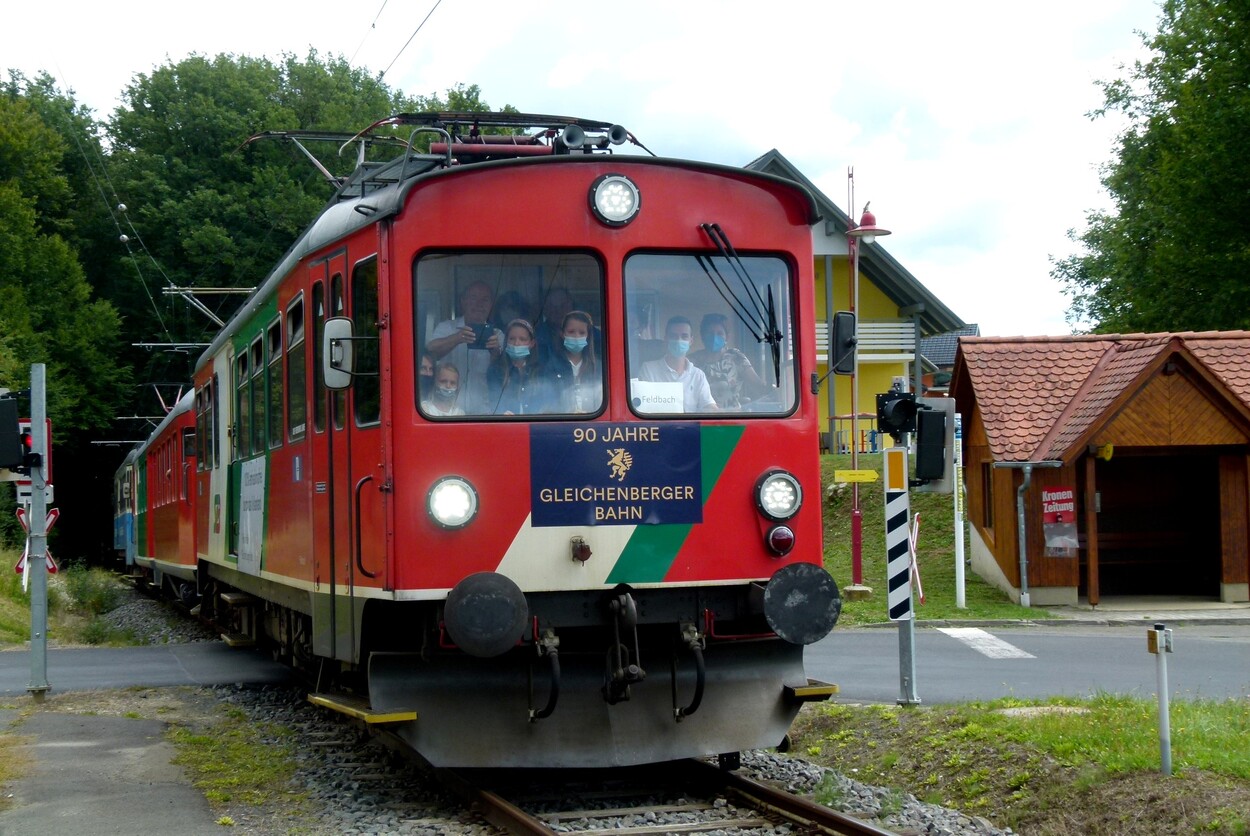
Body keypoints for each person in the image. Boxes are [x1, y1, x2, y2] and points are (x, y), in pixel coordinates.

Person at [425, 281, 502, 414]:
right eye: (473, 298)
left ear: (491, 305)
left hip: (484, 413)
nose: (479, 304)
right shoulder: (447, 327)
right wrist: (457, 338)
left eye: (485, 300)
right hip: (448, 412)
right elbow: (430, 352)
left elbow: (506, 373)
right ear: (463, 301)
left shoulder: (498, 335)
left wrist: (495, 352)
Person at [638, 315, 717, 412]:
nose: (679, 340)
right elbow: (643, 408)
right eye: (673, 336)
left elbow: (708, 406)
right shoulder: (648, 369)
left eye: (684, 336)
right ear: (666, 339)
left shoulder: (698, 375)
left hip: (691, 427)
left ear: (691, 341)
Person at [688, 313, 767, 410]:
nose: (714, 337)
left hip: (732, 418)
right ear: (703, 336)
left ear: (727, 336)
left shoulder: (736, 358)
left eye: (719, 333)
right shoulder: (692, 361)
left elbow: (758, 386)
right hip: (700, 419)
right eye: (710, 333)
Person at [487, 319, 554, 415]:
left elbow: (549, 403)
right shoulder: (495, 370)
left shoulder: (542, 371)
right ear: (506, 341)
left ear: (532, 343)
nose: (516, 343)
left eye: (522, 339)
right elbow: (493, 402)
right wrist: (501, 414)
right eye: (512, 339)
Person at [546, 310, 602, 414]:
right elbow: (548, 401)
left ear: (588, 336)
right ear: (562, 334)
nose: (576, 336)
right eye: (571, 332)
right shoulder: (551, 366)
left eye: (582, 332)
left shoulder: (597, 367)